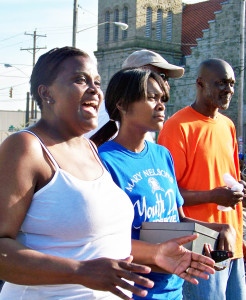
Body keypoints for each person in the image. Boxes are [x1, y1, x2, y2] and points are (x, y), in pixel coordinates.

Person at [0, 46, 155, 300]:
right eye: (80, 80)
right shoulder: (25, 148)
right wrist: (79, 271)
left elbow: (93, 243)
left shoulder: (91, 149)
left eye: (97, 82)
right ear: (46, 93)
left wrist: (160, 254)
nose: (94, 89)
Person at [91, 68, 234, 299]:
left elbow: (179, 220)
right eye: (150, 97)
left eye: (162, 99)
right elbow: (100, 241)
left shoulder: (162, 155)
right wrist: (156, 255)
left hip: (174, 288)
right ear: (122, 104)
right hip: (133, 290)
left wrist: (217, 231)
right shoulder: (104, 162)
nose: (160, 105)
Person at [158, 58, 246, 300]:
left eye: (231, 83)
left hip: (232, 247)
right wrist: (213, 195)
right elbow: (168, 198)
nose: (229, 90)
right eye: (221, 83)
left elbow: (228, 180)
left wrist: (240, 233)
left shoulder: (227, 125)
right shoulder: (177, 127)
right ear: (200, 84)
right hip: (200, 249)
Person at [85, 48, 184, 141]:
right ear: (140, 73)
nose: (166, 84)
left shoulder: (143, 125)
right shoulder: (105, 117)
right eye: (162, 76)